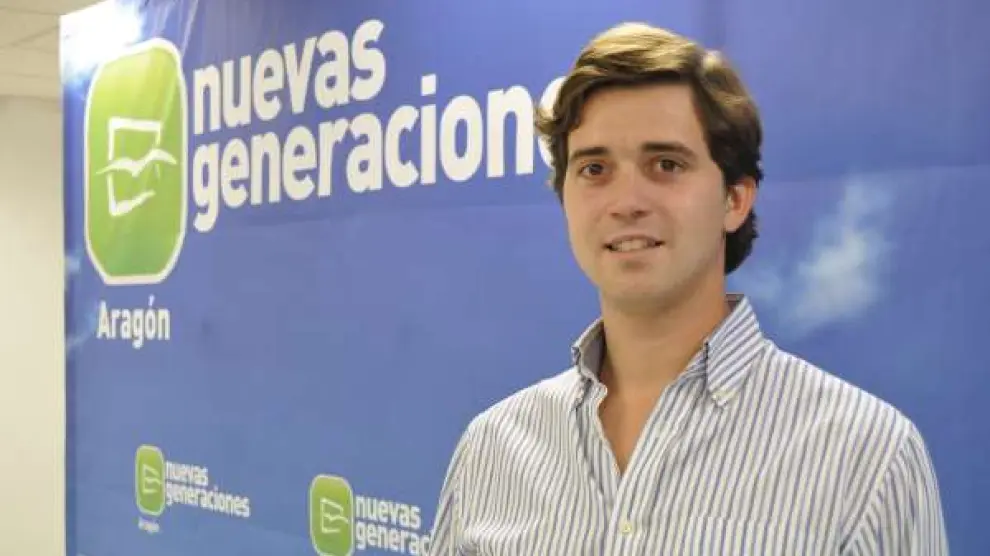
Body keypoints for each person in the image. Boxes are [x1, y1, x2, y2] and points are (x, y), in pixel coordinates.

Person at [428, 22, 948, 555]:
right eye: (595, 168)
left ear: (734, 200)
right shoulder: (492, 449)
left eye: (666, 164)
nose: (626, 202)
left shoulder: (868, 457)